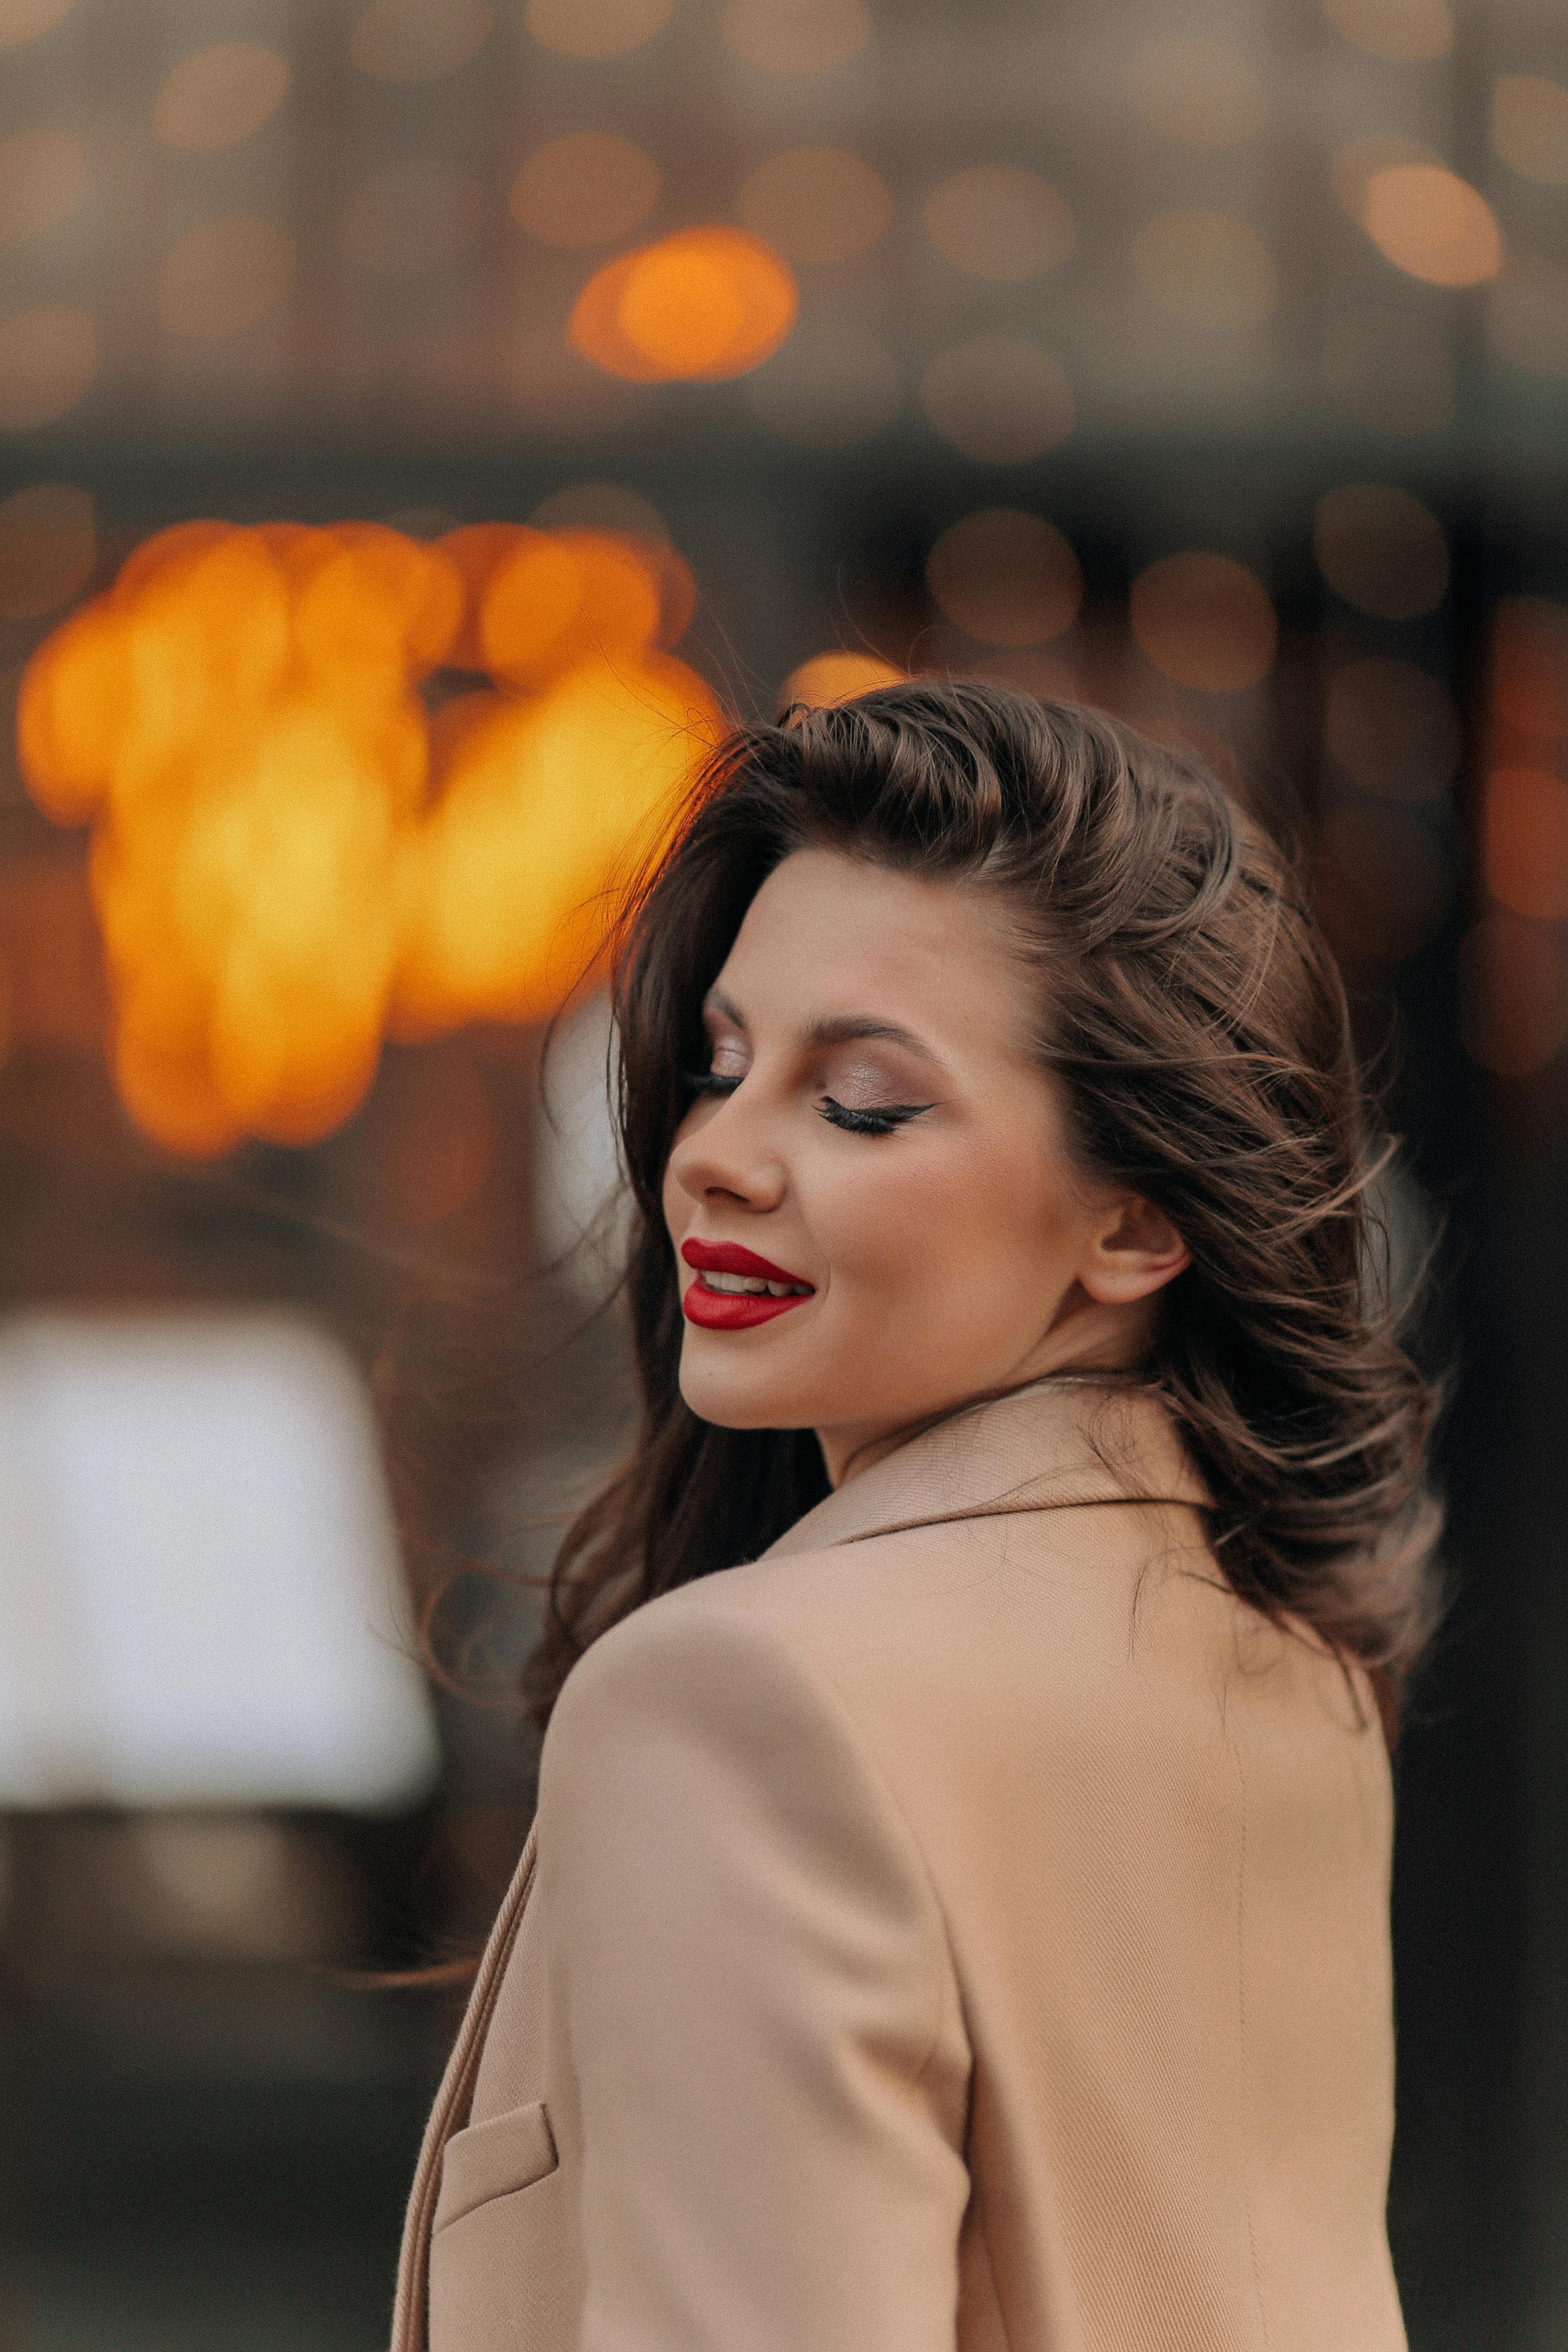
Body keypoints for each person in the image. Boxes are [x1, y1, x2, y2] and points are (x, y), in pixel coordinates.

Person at [391, 682, 1439, 2352]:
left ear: (1136, 1222)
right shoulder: (1292, 1660)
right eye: (717, 1066)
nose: (714, 1156)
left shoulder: (737, 1699)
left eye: (863, 1101)